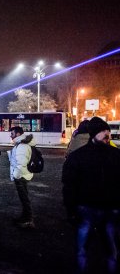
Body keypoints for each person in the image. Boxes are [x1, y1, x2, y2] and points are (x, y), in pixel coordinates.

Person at [62, 117, 120, 273]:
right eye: (103, 132)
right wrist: (71, 210)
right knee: (83, 249)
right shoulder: (79, 156)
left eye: (108, 131)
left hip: (110, 209)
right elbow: (69, 185)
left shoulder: (116, 155)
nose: (107, 134)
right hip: (87, 208)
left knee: (111, 249)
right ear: (94, 133)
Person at [9, 126, 36, 228]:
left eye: (12, 134)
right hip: (23, 175)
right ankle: (24, 217)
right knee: (24, 198)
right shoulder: (21, 144)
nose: (11, 136)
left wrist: (16, 175)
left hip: (21, 176)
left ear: (18, 134)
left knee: (24, 199)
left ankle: (28, 220)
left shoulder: (22, 146)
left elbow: (21, 164)